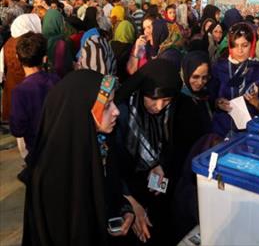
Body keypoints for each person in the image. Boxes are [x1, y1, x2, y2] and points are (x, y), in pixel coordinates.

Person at [22, 70, 134, 246]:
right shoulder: (50, 176)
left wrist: (124, 209)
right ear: (81, 112)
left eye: (114, 102)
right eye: (107, 106)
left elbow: (110, 191)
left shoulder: (102, 144)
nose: (116, 112)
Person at [114, 59, 182, 245]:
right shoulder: (121, 113)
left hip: (151, 187)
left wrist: (159, 164)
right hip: (122, 190)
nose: (159, 107)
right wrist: (130, 204)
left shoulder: (171, 110)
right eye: (153, 98)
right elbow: (111, 166)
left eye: (166, 100)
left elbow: (169, 145)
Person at [209, 22, 259, 137]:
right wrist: (217, 103)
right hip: (221, 131)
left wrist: (257, 103)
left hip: (250, 132)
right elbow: (210, 98)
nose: (240, 50)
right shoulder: (219, 67)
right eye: (235, 45)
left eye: (245, 45)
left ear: (252, 44)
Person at [10, 32, 59, 159]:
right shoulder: (56, 80)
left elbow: (17, 129)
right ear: (44, 58)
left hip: (36, 152)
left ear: (17, 56)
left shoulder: (19, 92)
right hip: (60, 146)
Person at [171, 51, 212, 191]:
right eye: (195, 77)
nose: (200, 82)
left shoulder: (204, 96)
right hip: (182, 169)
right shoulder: (178, 100)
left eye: (205, 77)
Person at [0, 14, 42, 122]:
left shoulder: (9, 42)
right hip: (33, 89)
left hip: (12, 87)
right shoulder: (32, 43)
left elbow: (2, 67)